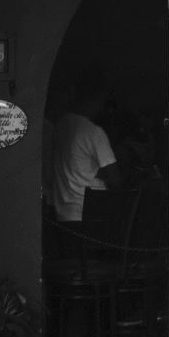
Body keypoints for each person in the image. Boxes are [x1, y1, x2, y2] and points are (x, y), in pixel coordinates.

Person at [49, 72, 122, 226]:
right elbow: (115, 179)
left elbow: (77, 164)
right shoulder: (93, 132)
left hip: (62, 213)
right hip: (89, 214)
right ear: (99, 98)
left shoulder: (60, 125)